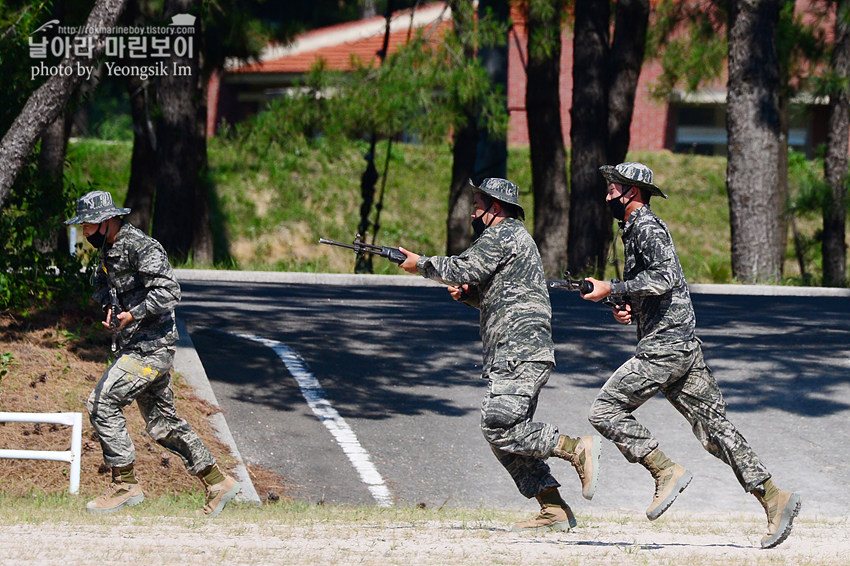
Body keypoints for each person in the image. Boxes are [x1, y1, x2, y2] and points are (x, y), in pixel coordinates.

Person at [580, 162, 801, 548]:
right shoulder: (634, 230)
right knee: (715, 430)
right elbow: (655, 287)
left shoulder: (646, 227)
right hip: (679, 343)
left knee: (605, 410)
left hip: (666, 347)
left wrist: (612, 285)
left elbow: (665, 277)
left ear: (631, 192)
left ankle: (664, 471)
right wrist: (624, 302)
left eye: (612, 188)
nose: (607, 194)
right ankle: (774, 498)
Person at [398, 178, 601, 532]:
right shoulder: (512, 239)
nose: (472, 211)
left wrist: (420, 264)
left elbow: (463, 268)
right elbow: (505, 295)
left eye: (478, 204)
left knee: (497, 424)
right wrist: (471, 296)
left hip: (518, 351)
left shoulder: (503, 234)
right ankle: (552, 508)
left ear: (495, 208)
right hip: (519, 350)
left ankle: (574, 448)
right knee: (502, 431)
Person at [65, 190, 241, 516]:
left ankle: (125, 484)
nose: (85, 231)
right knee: (163, 424)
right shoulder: (109, 250)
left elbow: (169, 291)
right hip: (136, 346)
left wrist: (133, 313)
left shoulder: (140, 246)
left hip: (151, 348)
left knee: (102, 402)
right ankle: (218, 483)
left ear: (107, 221)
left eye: (88, 224)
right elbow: (100, 285)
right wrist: (109, 306)